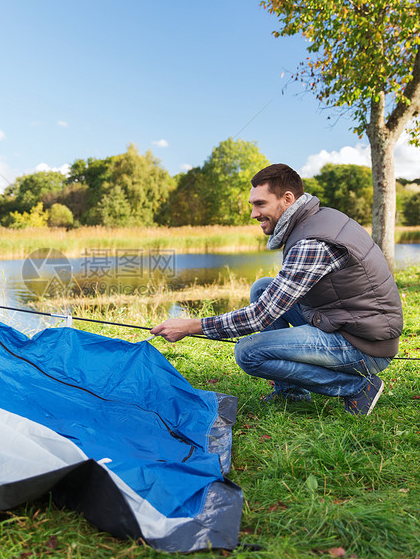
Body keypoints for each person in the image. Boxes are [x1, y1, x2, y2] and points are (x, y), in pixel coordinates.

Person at [151, 163, 403, 416]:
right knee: (263, 288)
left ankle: (357, 387)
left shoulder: (311, 242)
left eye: (260, 204)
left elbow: (259, 317)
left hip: (364, 346)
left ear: (287, 199)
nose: (253, 213)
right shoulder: (317, 218)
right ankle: (291, 392)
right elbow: (272, 303)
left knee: (248, 352)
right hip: (345, 322)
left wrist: (191, 326)